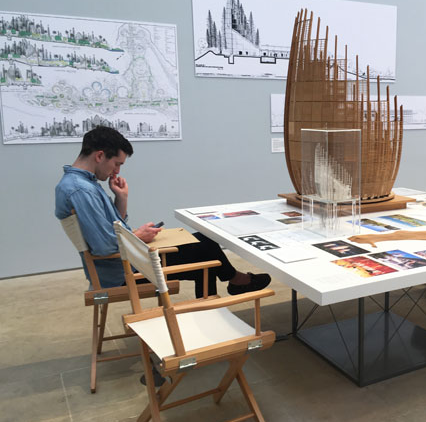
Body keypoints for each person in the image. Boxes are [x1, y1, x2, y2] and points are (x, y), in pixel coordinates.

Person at [55, 126, 271, 298]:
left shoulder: (83, 184)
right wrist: (137, 236)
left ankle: (228, 291)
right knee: (206, 252)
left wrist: (121, 198)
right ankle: (233, 285)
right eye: (117, 163)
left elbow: (112, 229)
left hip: (125, 261)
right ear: (100, 155)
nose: (117, 171)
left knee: (204, 245)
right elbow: (103, 247)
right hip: (122, 272)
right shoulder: (81, 190)